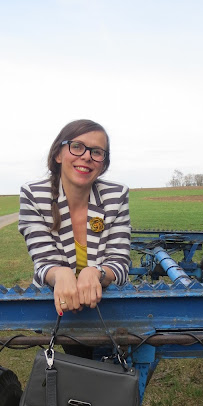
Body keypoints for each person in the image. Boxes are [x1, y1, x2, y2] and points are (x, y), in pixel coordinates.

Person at [19, 119, 131, 316]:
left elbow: (120, 264)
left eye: (96, 152)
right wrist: (60, 273)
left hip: (108, 305)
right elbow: (44, 263)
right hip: (54, 305)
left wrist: (96, 272)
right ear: (58, 154)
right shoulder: (34, 195)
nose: (87, 156)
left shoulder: (116, 195)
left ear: (103, 164)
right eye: (77, 147)